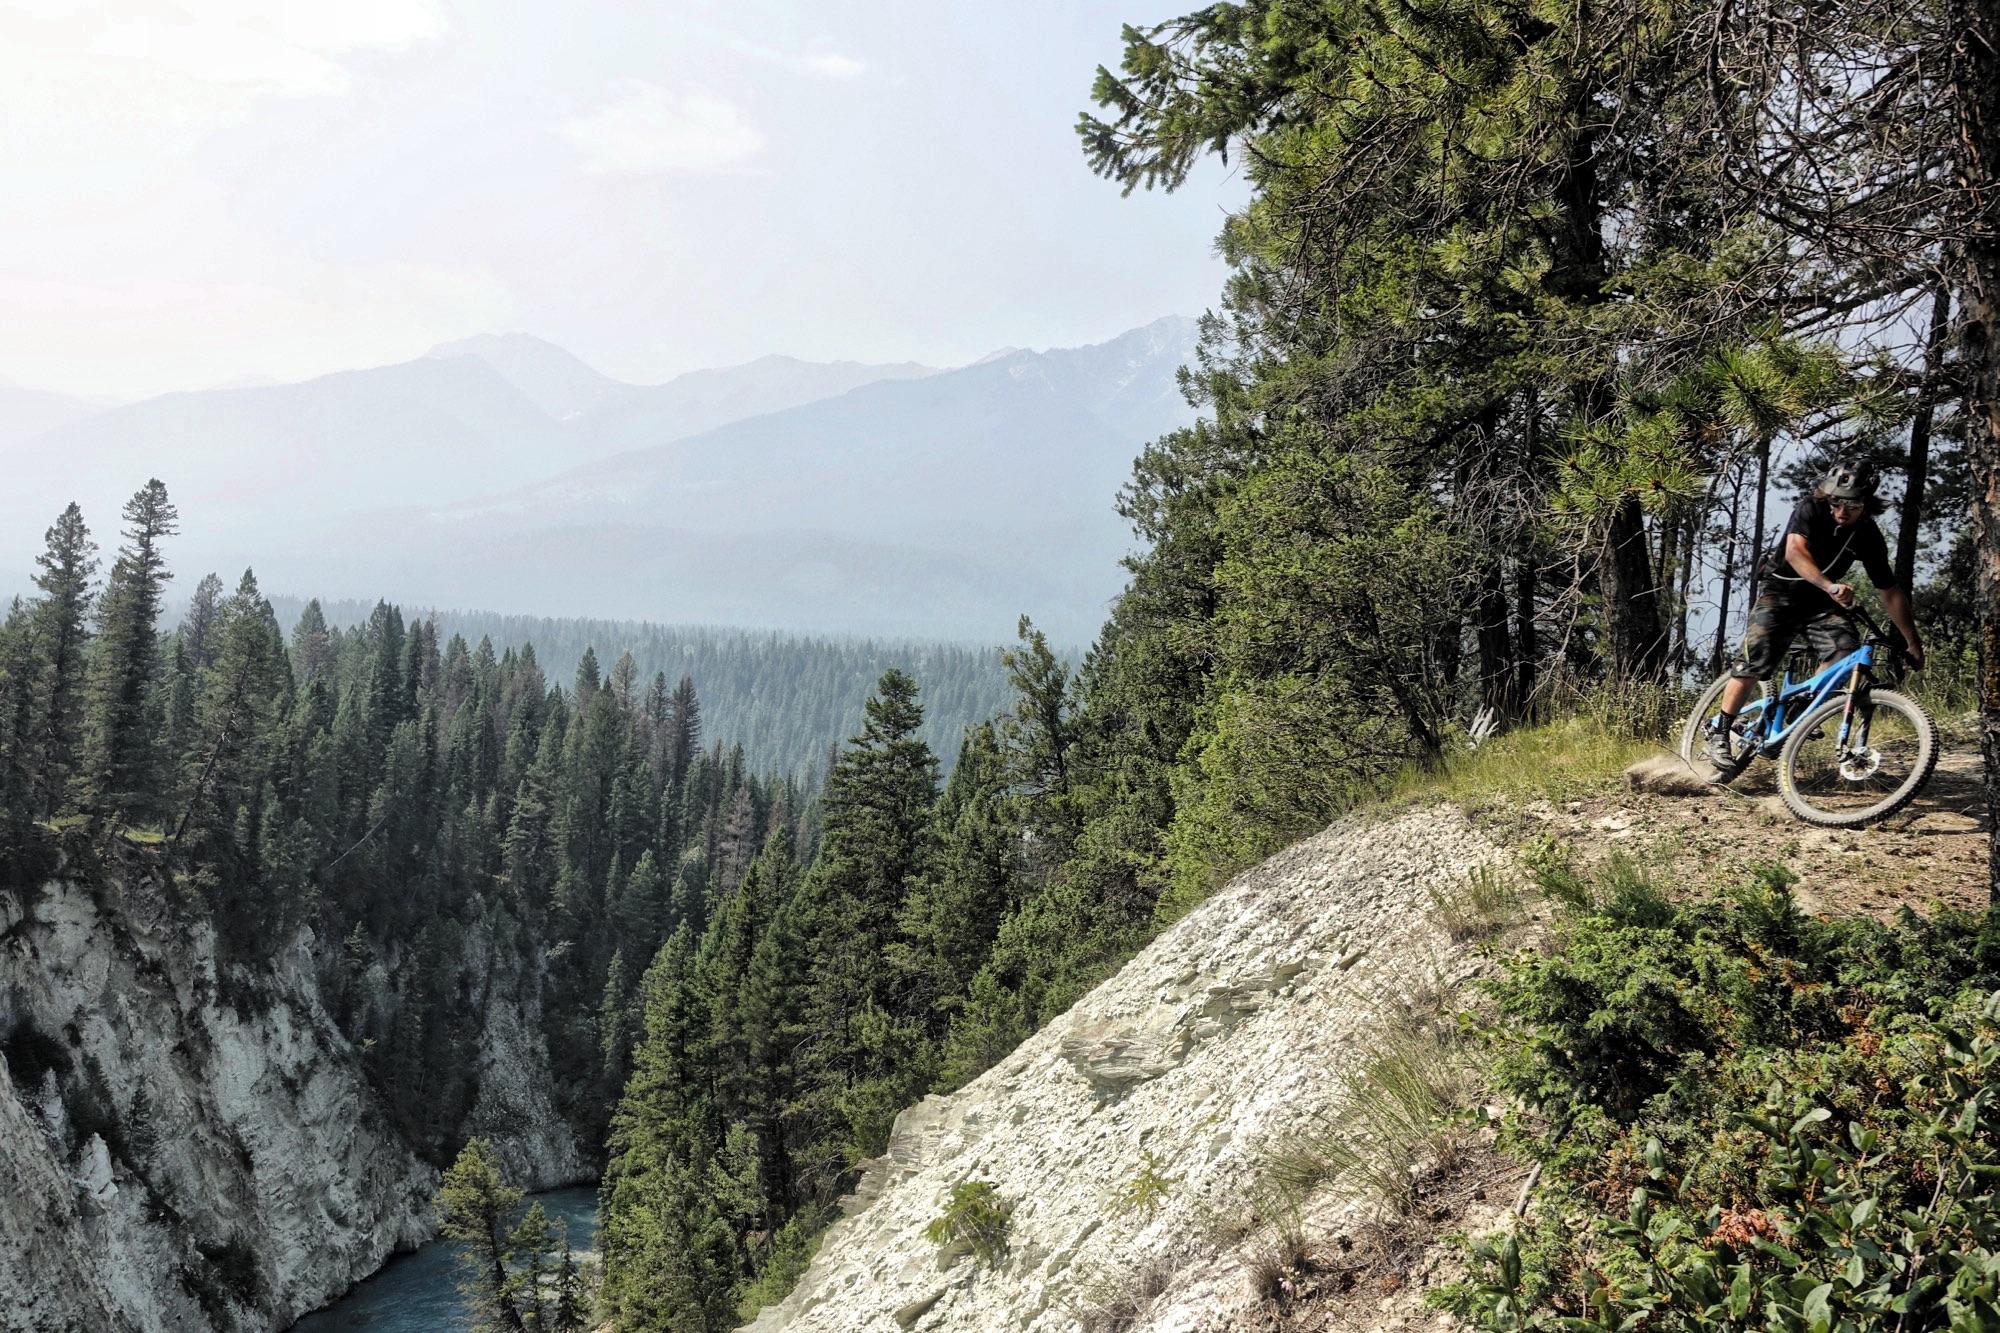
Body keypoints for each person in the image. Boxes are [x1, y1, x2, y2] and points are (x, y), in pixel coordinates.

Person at [1704, 457, 1924, 776]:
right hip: (1780, 591)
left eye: (1852, 504)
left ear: (1867, 503)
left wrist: (1912, 643)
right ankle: (1720, 730)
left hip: (1821, 602)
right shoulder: (1810, 508)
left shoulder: (1868, 535)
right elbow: (1794, 552)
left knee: (1845, 652)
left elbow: (1889, 591)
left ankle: (1796, 712)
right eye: (1836, 501)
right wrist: (1829, 585)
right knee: (1758, 656)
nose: (1841, 510)